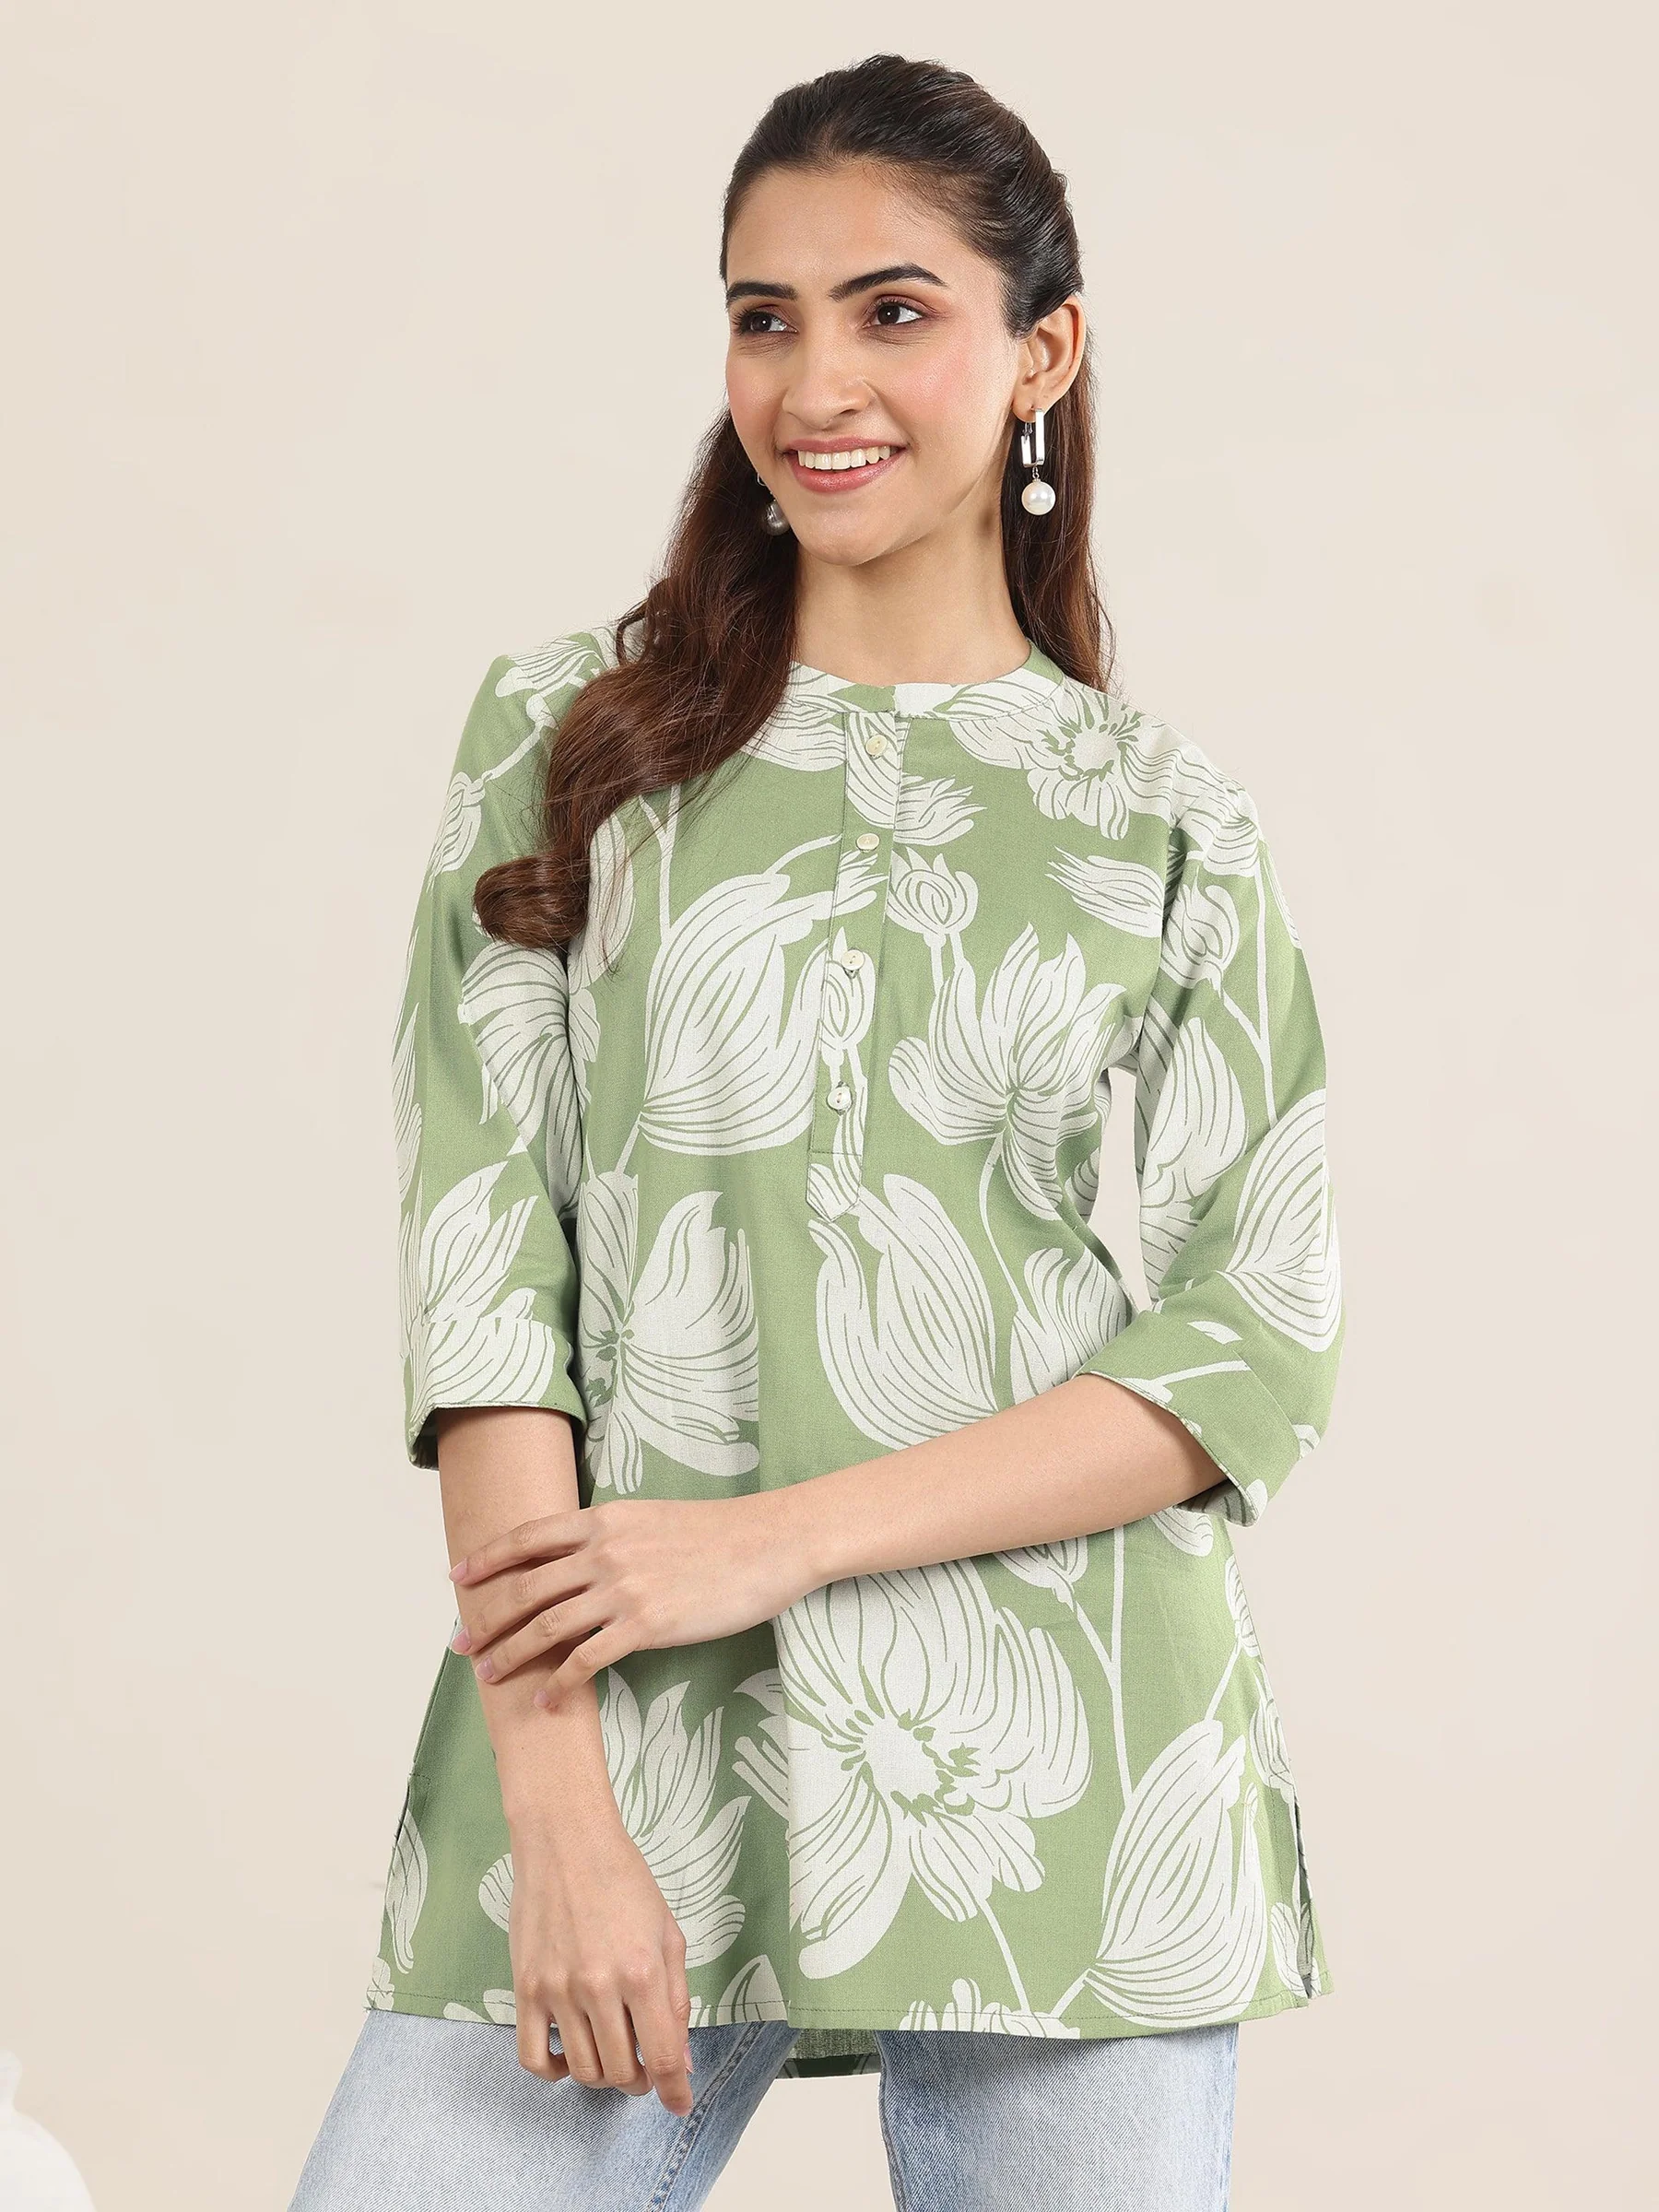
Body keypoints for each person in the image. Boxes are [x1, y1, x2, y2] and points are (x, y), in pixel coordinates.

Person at [288, 50, 1346, 2212]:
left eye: (893, 310)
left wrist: (766, 1541)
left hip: (1069, 1767)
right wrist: (554, 1813)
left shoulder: (1159, 816)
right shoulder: (572, 738)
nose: (815, 380)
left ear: (1042, 353)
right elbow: (489, 1275)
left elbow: (1258, 1337)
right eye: (764, 316)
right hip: (628, 1722)